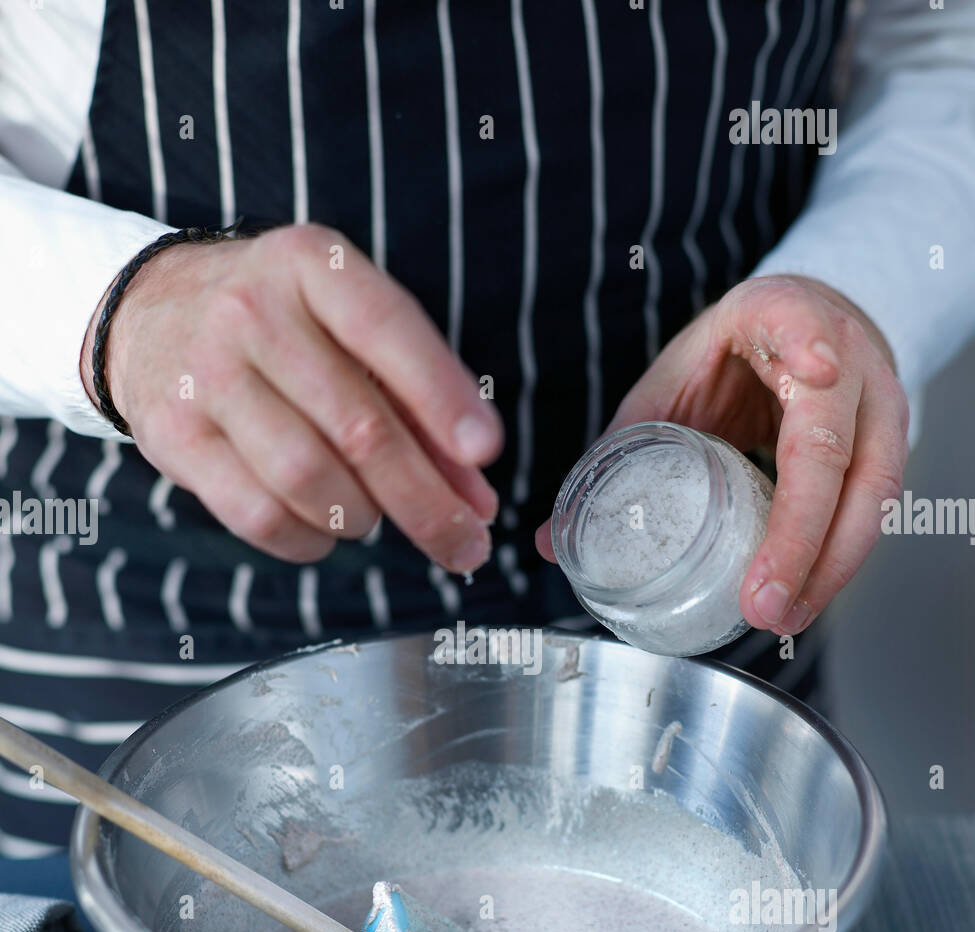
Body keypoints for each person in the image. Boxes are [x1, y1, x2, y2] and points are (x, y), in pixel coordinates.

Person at [1, 0, 973, 856]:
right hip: (149, 683)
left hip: (705, 633)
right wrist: (112, 310)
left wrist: (854, 292)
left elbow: (947, 41)